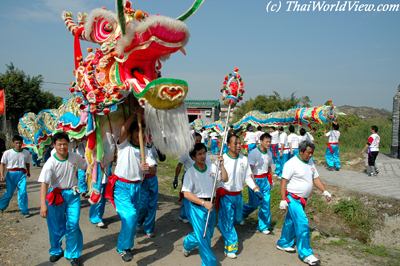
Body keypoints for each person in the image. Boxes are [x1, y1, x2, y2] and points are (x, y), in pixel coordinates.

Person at [104, 114, 156, 262]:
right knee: (130, 216)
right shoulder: (123, 145)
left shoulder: (145, 150)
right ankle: (123, 247)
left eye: (143, 133)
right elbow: (122, 130)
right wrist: (135, 115)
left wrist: (148, 168)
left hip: (137, 188)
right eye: (138, 132)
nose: (141, 135)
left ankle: (128, 242)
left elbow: (154, 170)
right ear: (132, 133)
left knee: (132, 217)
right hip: (121, 187)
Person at [277, 141, 332, 266]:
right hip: (292, 199)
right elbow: (283, 182)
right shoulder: (291, 164)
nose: (311, 155)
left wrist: (325, 191)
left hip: (302, 200)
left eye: (312, 153)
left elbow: (315, 178)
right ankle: (306, 254)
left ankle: (283, 243)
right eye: (308, 153)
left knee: (290, 222)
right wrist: (283, 199)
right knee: (302, 223)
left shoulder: (310, 162)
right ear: (301, 151)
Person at [38, 132, 86, 266]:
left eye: (65, 144)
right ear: (54, 145)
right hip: (55, 196)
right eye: (59, 144)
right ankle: (56, 250)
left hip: (72, 195)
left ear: (69, 144)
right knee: (56, 226)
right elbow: (44, 184)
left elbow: (87, 166)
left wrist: (96, 160)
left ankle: (73, 254)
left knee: (73, 224)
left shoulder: (75, 157)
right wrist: (43, 205)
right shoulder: (50, 163)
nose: (62, 147)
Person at [182, 143, 228, 266]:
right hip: (197, 208)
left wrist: (222, 166)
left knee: (207, 234)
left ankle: (187, 242)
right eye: (199, 154)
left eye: (204, 153)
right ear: (193, 157)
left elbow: (224, 179)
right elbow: (186, 193)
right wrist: (203, 203)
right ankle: (209, 263)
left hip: (211, 206)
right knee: (203, 237)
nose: (202, 156)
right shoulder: (190, 173)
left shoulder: (212, 167)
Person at [217, 134, 262, 259]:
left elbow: (248, 176)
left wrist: (255, 188)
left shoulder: (244, 159)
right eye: (235, 143)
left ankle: (221, 224)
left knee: (237, 219)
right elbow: (214, 178)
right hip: (226, 195)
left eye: (239, 143)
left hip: (238, 196)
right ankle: (231, 246)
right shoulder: (222, 159)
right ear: (228, 145)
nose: (238, 145)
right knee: (229, 222)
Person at [242, 133, 273, 234]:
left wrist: (270, 180)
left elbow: (269, 167)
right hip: (255, 180)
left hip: (265, 180)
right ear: (261, 141)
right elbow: (249, 170)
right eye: (266, 141)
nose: (268, 144)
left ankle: (263, 226)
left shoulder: (269, 153)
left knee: (266, 203)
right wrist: (253, 183)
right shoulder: (253, 153)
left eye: (270, 142)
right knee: (254, 204)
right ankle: (240, 214)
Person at [137, 141, 166, 238]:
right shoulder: (137, 144)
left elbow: (162, 158)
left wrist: (161, 146)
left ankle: (149, 228)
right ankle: (138, 222)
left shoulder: (154, 145)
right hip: (142, 180)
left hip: (153, 179)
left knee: (152, 205)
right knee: (143, 205)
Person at [173, 132, 203, 223]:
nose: (198, 142)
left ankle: (186, 214)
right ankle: (186, 215)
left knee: (196, 196)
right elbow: (179, 166)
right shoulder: (186, 152)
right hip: (187, 178)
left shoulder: (202, 152)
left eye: (199, 141)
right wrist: (175, 178)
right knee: (188, 197)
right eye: (196, 140)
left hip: (198, 177)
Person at [0, 135, 31, 217]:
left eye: (20, 143)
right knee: (9, 193)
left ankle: (24, 210)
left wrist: (28, 172)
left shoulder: (26, 152)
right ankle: (1, 206)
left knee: (23, 192)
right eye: (16, 143)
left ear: (22, 143)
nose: (18, 145)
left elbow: (27, 163)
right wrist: (2, 175)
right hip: (11, 175)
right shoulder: (7, 153)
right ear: (13, 143)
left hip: (22, 174)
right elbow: (2, 164)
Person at [89, 163, 112, 228]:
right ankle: (96, 218)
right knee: (97, 197)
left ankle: (99, 216)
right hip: (98, 175)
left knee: (103, 199)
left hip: (106, 174)